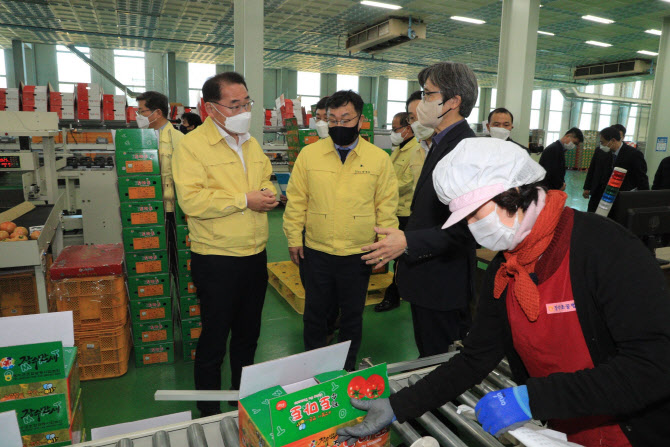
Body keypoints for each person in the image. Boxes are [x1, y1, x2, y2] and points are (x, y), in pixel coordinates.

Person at [337, 138, 670, 446]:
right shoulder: (506, 267)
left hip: (633, 430)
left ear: (513, 192)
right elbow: (475, 357)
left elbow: (654, 366)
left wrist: (531, 399)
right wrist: (398, 406)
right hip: (563, 429)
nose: (471, 228)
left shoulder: (605, 249)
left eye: (474, 214)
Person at [172, 72, 278, 417]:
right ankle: (209, 412)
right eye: (235, 104)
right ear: (210, 108)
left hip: (254, 254)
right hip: (216, 259)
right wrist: (244, 200)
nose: (244, 109)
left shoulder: (250, 142)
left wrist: (268, 194)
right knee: (214, 341)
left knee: (248, 338)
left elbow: (265, 180)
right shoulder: (191, 146)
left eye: (246, 102)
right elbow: (192, 201)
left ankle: (241, 404)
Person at [360, 62, 479, 357]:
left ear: (452, 102)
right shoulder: (439, 142)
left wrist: (409, 241)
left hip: (443, 283)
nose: (422, 102)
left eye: (428, 95)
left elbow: (468, 229)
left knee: (439, 360)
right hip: (430, 276)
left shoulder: (464, 150)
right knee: (429, 352)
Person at [283, 90, 398, 371]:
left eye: (346, 119)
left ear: (360, 121)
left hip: (358, 253)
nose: (339, 126)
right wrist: (293, 238)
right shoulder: (310, 155)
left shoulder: (378, 159)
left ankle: (345, 370)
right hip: (316, 251)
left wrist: (385, 245)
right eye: (332, 119)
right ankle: (312, 371)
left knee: (352, 316)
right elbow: (297, 200)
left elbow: (386, 206)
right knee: (315, 315)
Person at [375, 112, 421, 313]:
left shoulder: (416, 150)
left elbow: (407, 182)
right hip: (392, 209)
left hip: (406, 211)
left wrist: (381, 190)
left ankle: (394, 295)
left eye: (395, 129)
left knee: (402, 257)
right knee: (395, 255)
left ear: (408, 129)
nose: (393, 133)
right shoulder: (398, 149)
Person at [136, 91, 185, 272]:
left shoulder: (179, 140)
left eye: (142, 111)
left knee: (171, 257)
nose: (139, 116)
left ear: (157, 113)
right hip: (145, 205)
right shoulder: (141, 138)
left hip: (169, 209)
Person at [583, 126, 649, 213]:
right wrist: (587, 187)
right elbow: (593, 169)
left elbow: (641, 178)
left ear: (613, 140)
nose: (601, 145)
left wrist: (644, 199)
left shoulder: (633, 154)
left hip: (619, 198)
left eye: (603, 142)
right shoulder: (602, 152)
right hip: (599, 195)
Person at [405, 90, 432, 189]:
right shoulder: (415, 152)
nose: (417, 122)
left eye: (421, 114)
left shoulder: (449, 149)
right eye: (412, 117)